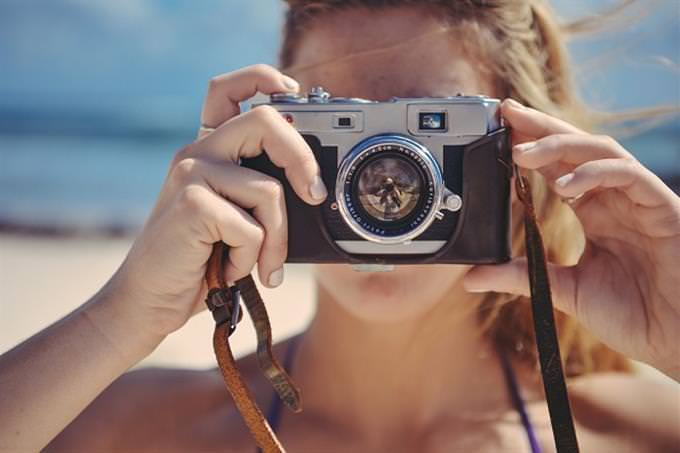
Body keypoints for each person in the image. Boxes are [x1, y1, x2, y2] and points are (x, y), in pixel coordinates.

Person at [1, 1, 679, 451]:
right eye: (340, 128)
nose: (378, 178)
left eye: (431, 127)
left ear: (516, 162)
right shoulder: (134, 427)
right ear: (267, 143)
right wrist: (120, 318)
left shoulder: (636, 431)